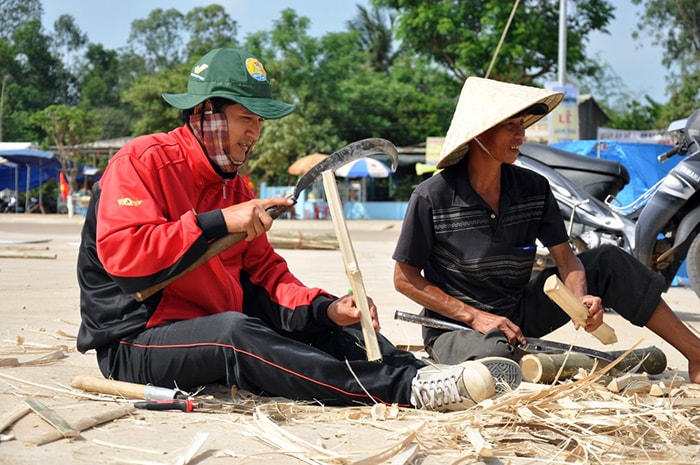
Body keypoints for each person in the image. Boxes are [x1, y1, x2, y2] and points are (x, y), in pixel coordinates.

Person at [76, 48, 520, 412]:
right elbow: (125, 257)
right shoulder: (141, 161)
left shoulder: (235, 185)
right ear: (206, 112)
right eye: (247, 117)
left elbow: (266, 275)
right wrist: (216, 223)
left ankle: (421, 373)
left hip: (205, 325)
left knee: (339, 325)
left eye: (261, 122)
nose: (255, 133)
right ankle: (403, 390)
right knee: (234, 334)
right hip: (136, 341)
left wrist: (325, 308)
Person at [392, 77, 700, 383]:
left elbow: (567, 260)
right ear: (480, 133)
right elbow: (404, 279)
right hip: (456, 328)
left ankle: (695, 353)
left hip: (518, 312)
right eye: (510, 126)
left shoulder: (533, 188)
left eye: (522, 125)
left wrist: (580, 298)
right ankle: (574, 364)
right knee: (497, 354)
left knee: (609, 261)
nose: (522, 135)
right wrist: (474, 316)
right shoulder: (433, 196)